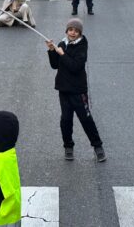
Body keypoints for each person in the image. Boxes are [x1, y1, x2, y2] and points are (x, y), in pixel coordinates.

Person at [45, 18, 106, 162]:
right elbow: (55, 65)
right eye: (70, 30)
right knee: (66, 120)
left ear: (80, 33)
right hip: (64, 89)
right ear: (66, 31)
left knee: (86, 119)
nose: (73, 33)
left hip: (78, 91)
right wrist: (52, 50)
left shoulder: (82, 45)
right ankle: (68, 146)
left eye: (76, 31)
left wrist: (62, 54)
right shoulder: (62, 44)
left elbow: (75, 67)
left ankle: (98, 146)